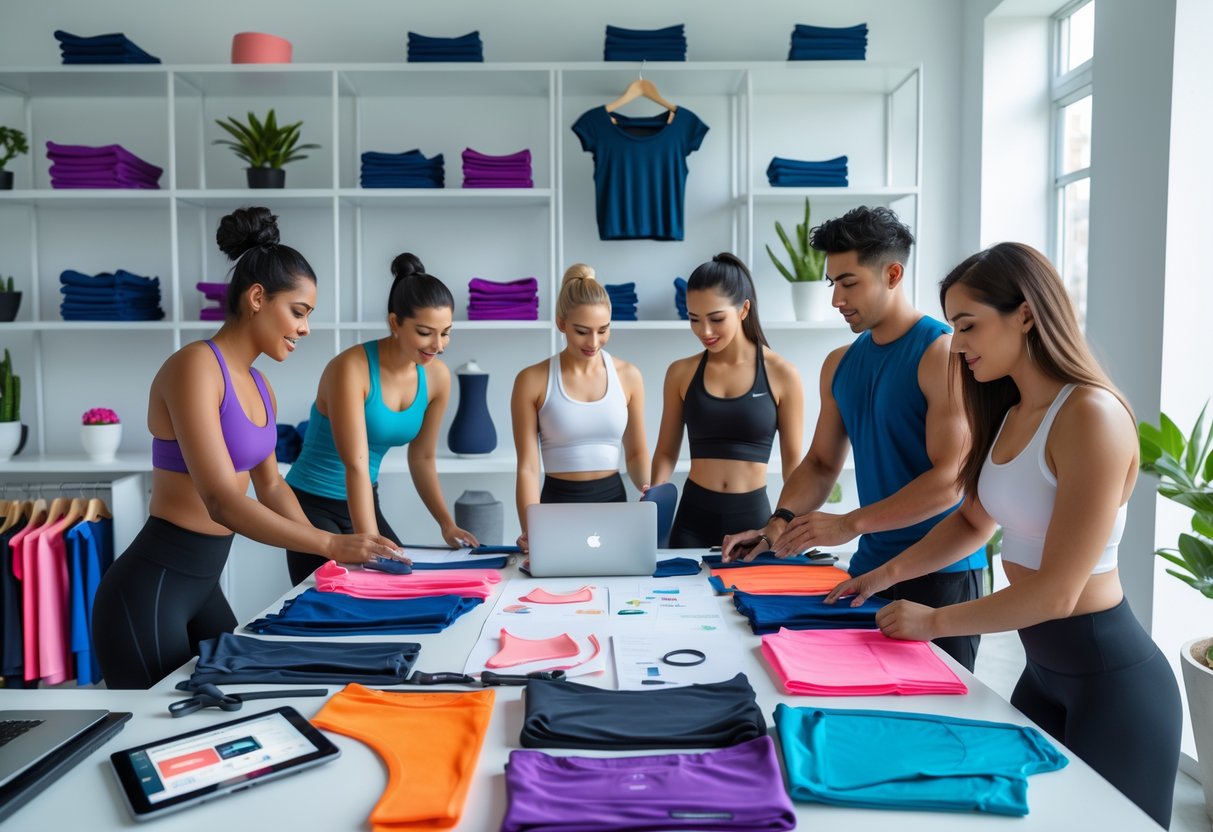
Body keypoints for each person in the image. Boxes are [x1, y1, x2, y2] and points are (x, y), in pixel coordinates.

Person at [823, 242, 1182, 828]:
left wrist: (932, 622)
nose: (955, 344)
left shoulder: (1090, 414)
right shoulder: (1008, 411)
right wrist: (880, 577)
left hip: (1112, 685)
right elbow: (972, 521)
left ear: (1027, 315)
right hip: (1041, 673)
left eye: (968, 326)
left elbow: (1056, 594)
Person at [92, 207, 400, 689]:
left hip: (203, 586)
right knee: (159, 726)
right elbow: (221, 500)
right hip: (149, 589)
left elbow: (272, 486)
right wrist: (330, 542)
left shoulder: (259, 385)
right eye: (298, 311)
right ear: (257, 298)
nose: (305, 328)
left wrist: (332, 560)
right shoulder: (196, 367)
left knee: (236, 703)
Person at [721, 206, 984, 670]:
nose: (837, 299)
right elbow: (821, 463)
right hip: (868, 569)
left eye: (849, 283)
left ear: (892, 274)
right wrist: (778, 524)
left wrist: (848, 524)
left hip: (940, 572)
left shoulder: (941, 353)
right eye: (833, 284)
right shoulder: (840, 363)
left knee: (937, 706)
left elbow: (951, 481)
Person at [283, 253, 479, 585]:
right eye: (425, 332)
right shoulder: (351, 369)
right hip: (310, 504)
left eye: (446, 333)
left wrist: (446, 524)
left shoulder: (437, 378)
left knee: (399, 583)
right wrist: (370, 545)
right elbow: (355, 464)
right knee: (339, 596)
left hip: (364, 498)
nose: (438, 345)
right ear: (394, 323)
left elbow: (422, 457)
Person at [652, 253, 804, 548]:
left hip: (753, 522)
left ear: (744, 309)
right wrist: (653, 500)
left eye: (716, 318)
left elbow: (793, 467)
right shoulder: (680, 372)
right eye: (694, 319)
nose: (704, 331)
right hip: (691, 522)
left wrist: (788, 523)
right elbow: (666, 451)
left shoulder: (783, 374)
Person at [511, 264, 648, 550]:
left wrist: (649, 489)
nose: (594, 342)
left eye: (603, 330)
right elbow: (528, 467)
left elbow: (636, 453)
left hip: (614, 503)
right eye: (582, 331)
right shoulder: (531, 380)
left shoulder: (629, 375)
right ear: (561, 323)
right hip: (556, 506)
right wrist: (530, 529)